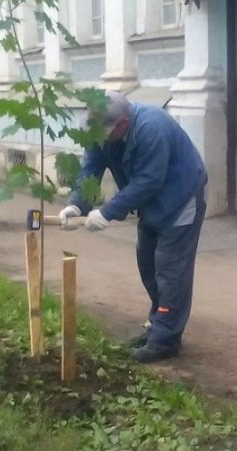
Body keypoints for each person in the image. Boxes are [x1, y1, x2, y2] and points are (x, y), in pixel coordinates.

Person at [58, 90, 208, 363]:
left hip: (181, 198)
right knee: (148, 264)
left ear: (124, 123)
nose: (100, 138)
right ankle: (160, 324)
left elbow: (149, 180)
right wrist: (78, 204)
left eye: (106, 132)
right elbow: (90, 168)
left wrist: (108, 212)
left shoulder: (152, 127)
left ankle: (165, 339)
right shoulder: (101, 131)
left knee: (170, 271)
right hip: (152, 202)